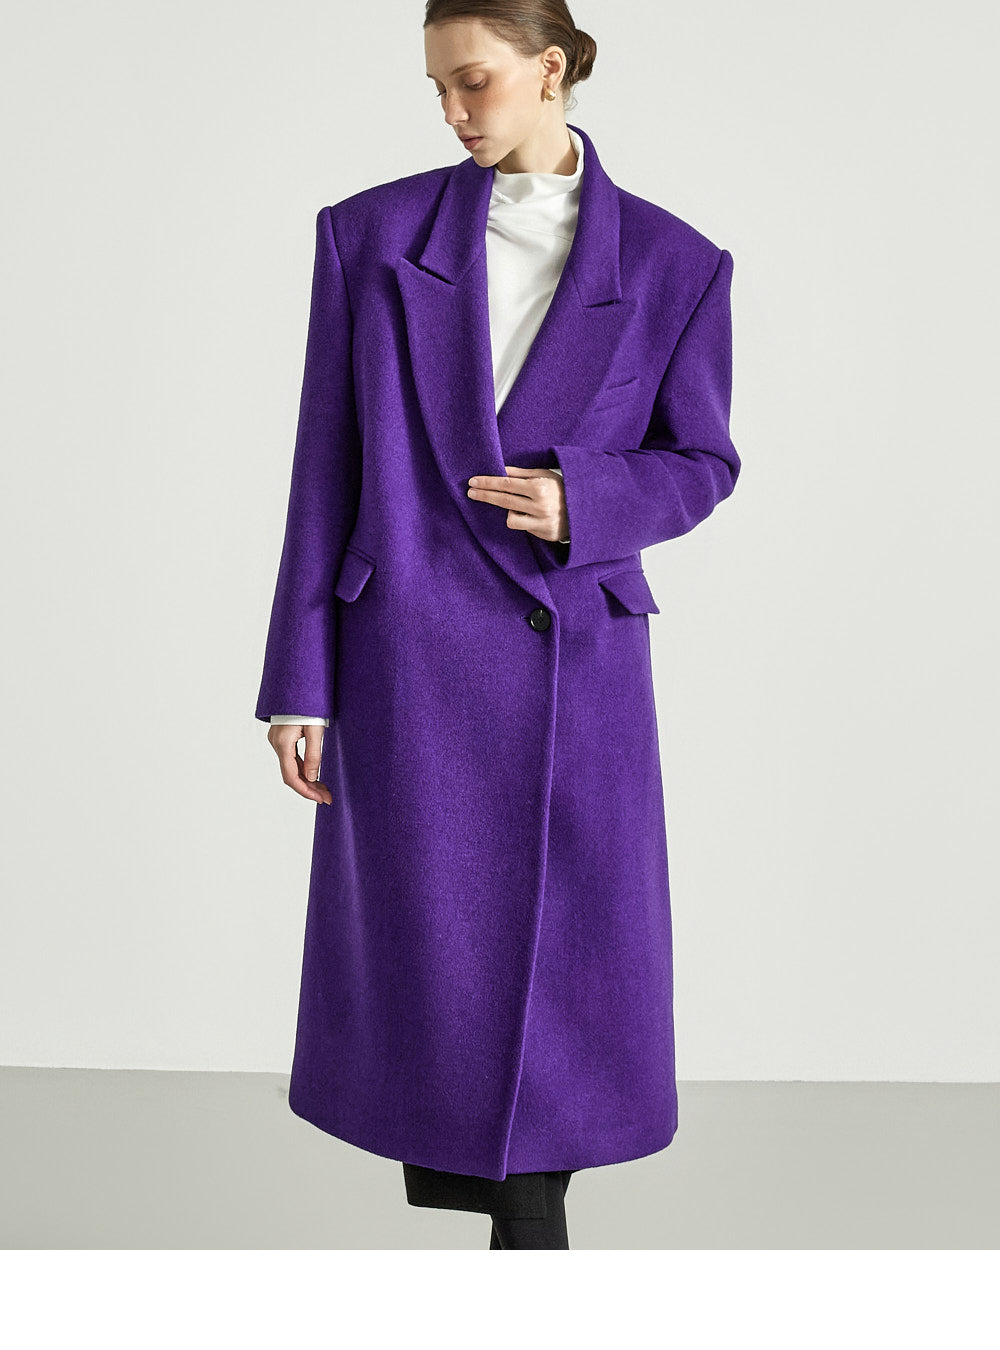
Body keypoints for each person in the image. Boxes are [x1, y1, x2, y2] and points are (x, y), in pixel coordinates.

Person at [256, 0, 740, 1250]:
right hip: (406, 657)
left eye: (472, 80)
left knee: (570, 971)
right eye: (436, 88)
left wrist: (591, 498)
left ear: (550, 67)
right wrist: (298, 679)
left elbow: (702, 461)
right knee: (433, 961)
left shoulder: (676, 263)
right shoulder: (369, 236)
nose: (453, 109)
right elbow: (324, 465)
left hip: (574, 661)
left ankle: (531, 1239)